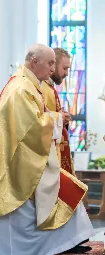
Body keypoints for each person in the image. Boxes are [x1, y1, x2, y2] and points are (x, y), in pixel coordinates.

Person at [0, 44, 95, 255]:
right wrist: (57, 120)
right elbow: (31, 127)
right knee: (38, 204)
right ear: (34, 62)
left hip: (23, 158)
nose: (53, 68)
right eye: (51, 63)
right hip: (17, 164)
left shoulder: (29, 85)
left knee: (66, 192)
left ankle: (60, 245)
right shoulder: (21, 88)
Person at [42, 47, 74, 176]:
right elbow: (38, 120)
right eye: (65, 68)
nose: (67, 73)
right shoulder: (41, 88)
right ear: (53, 65)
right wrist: (59, 117)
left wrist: (62, 117)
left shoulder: (49, 87)